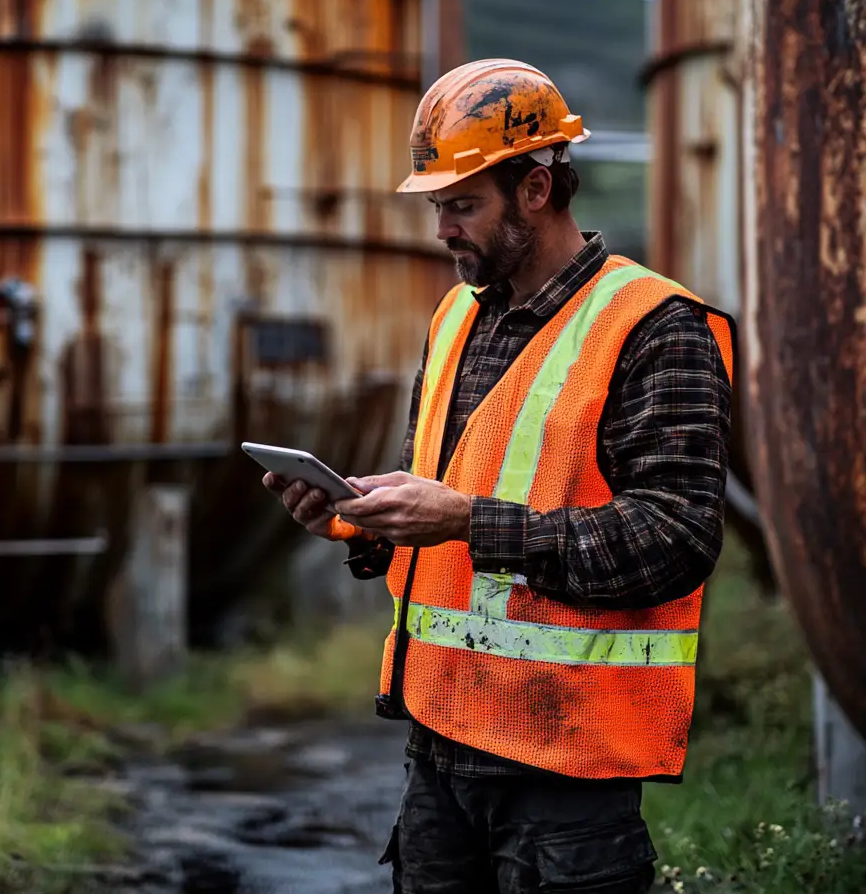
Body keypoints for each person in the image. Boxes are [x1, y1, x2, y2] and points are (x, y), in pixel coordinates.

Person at [262, 59, 735, 894]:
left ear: (537, 189)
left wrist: (469, 522)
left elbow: (677, 539)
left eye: (461, 204)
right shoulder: (458, 318)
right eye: (437, 205)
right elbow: (442, 497)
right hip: (440, 748)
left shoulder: (658, 328)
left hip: (568, 774)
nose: (442, 227)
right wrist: (359, 519)